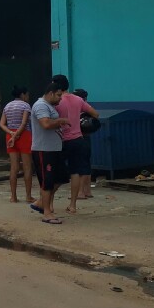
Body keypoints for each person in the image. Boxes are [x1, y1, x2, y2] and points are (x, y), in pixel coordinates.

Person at [50, 75, 99, 214]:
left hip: (61, 141)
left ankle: (50, 204)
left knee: (55, 173)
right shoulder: (78, 100)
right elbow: (95, 114)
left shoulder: (56, 101)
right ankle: (72, 205)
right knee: (75, 172)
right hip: (78, 139)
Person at [30, 82, 71, 224]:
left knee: (61, 178)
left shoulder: (50, 106)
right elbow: (46, 124)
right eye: (59, 95)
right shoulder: (41, 105)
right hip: (44, 149)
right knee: (47, 182)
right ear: (51, 93)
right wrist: (61, 120)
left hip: (54, 149)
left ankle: (42, 202)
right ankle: (46, 213)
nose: (60, 98)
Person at [0, 86, 34, 203]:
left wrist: (11, 134)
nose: (28, 97)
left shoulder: (7, 106)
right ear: (23, 95)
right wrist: (17, 135)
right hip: (23, 136)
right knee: (27, 167)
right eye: (27, 95)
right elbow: (24, 123)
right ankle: (28, 196)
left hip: (10, 136)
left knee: (14, 167)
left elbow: (2, 124)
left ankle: (13, 197)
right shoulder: (25, 106)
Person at [71, 89, 95, 199]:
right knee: (86, 164)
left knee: (80, 165)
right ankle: (87, 191)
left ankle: (80, 192)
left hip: (80, 138)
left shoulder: (79, 107)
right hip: (86, 137)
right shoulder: (87, 108)